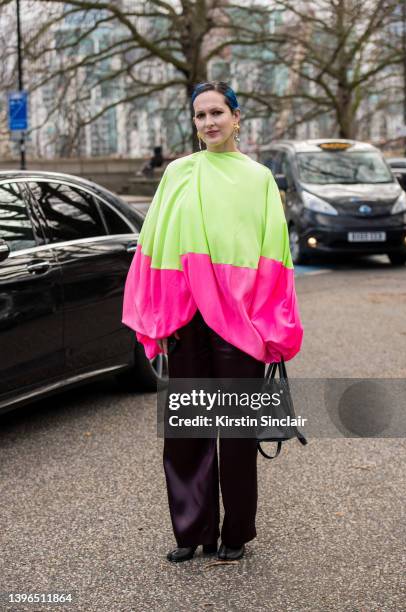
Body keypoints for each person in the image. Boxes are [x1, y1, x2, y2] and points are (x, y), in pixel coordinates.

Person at [122, 81, 303, 563]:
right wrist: (156, 315)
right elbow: (154, 247)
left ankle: (236, 532)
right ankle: (190, 530)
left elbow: (275, 257)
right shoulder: (178, 173)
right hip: (186, 320)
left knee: (238, 434)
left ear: (237, 117)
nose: (208, 123)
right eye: (200, 115)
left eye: (217, 112)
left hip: (240, 323)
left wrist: (270, 326)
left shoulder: (259, 179)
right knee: (186, 432)